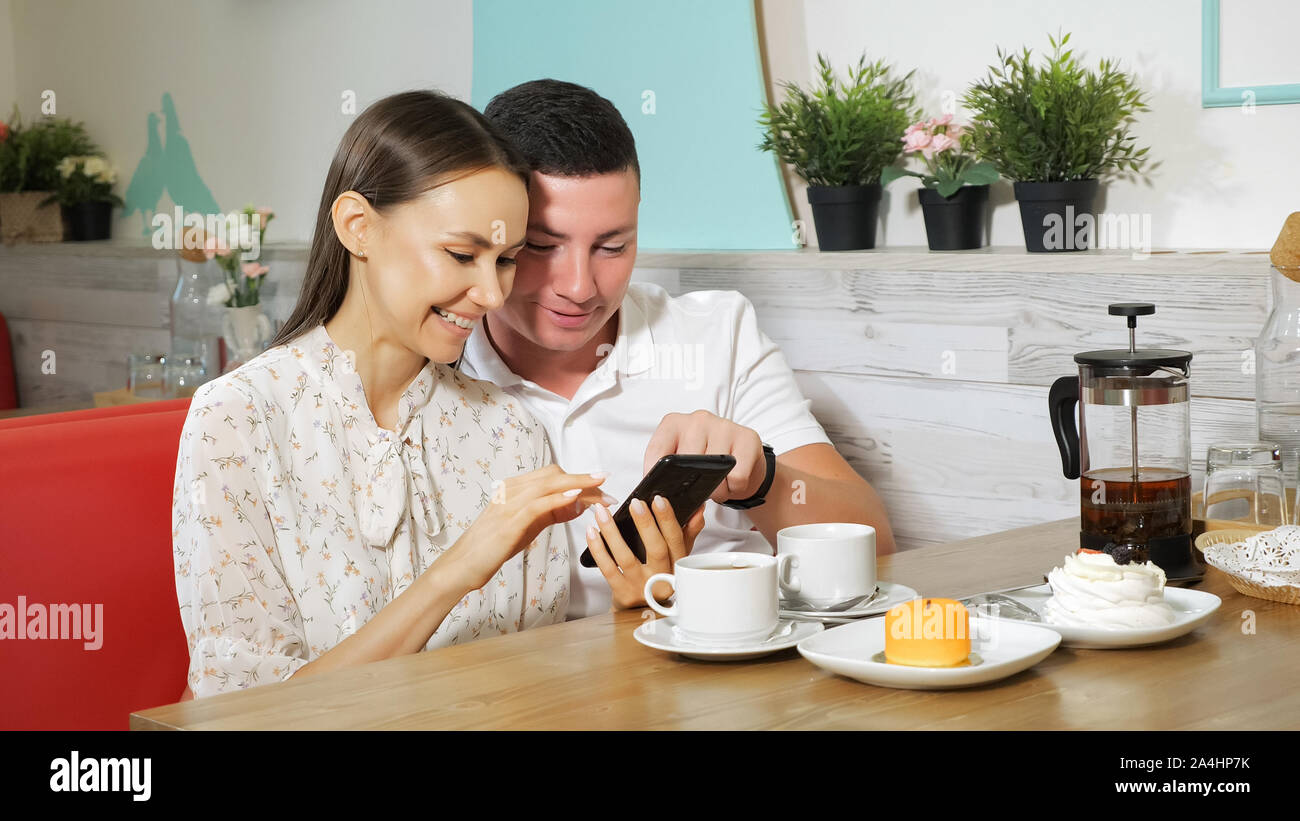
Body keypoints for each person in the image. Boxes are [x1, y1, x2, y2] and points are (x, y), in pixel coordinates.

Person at [170, 90, 705, 699]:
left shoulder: (511, 430)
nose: (491, 294)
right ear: (357, 226)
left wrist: (641, 606)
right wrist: (459, 569)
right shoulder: (237, 420)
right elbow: (243, 714)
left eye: (506, 260)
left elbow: (537, 689)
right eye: (460, 254)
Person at [463, 79, 896, 620]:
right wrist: (646, 607)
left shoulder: (716, 335)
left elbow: (875, 544)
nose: (580, 286)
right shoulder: (436, 367)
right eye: (543, 247)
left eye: (613, 246)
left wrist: (758, 480)